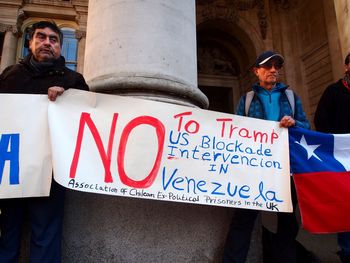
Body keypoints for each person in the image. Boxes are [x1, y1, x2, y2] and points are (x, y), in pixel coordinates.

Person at [0, 21, 88, 262]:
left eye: (53, 39)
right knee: (7, 235)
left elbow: (86, 120)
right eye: (41, 37)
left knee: (45, 238)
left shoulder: (73, 80)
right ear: (30, 43)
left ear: (60, 46)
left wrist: (68, 98)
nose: (47, 43)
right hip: (11, 171)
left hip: (50, 173)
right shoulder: (10, 76)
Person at [222, 51, 310, 263]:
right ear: (256, 71)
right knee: (243, 219)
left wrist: (294, 123)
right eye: (268, 66)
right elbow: (236, 131)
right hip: (254, 171)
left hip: (285, 169)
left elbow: (306, 126)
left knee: (288, 222)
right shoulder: (246, 100)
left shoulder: (291, 97)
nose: (273, 70)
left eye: (276, 66)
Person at [314, 52, 350, 263]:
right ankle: (346, 251)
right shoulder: (333, 92)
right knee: (346, 206)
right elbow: (321, 121)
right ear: (346, 67)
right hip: (342, 160)